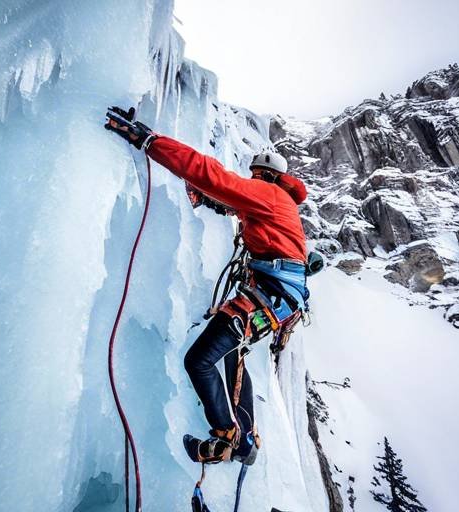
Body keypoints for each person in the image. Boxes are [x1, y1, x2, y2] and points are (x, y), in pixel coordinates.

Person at [104, 106, 309, 466]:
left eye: (259, 175)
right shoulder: (277, 203)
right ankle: (245, 441)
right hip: (278, 301)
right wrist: (212, 202)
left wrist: (151, 142)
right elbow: (232, 204)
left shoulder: (271, 196)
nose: (255, 180)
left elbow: (214, 176)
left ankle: (225, 437)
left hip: (268, 297)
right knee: (231, 354)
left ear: (269, 178)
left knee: (198, 360)